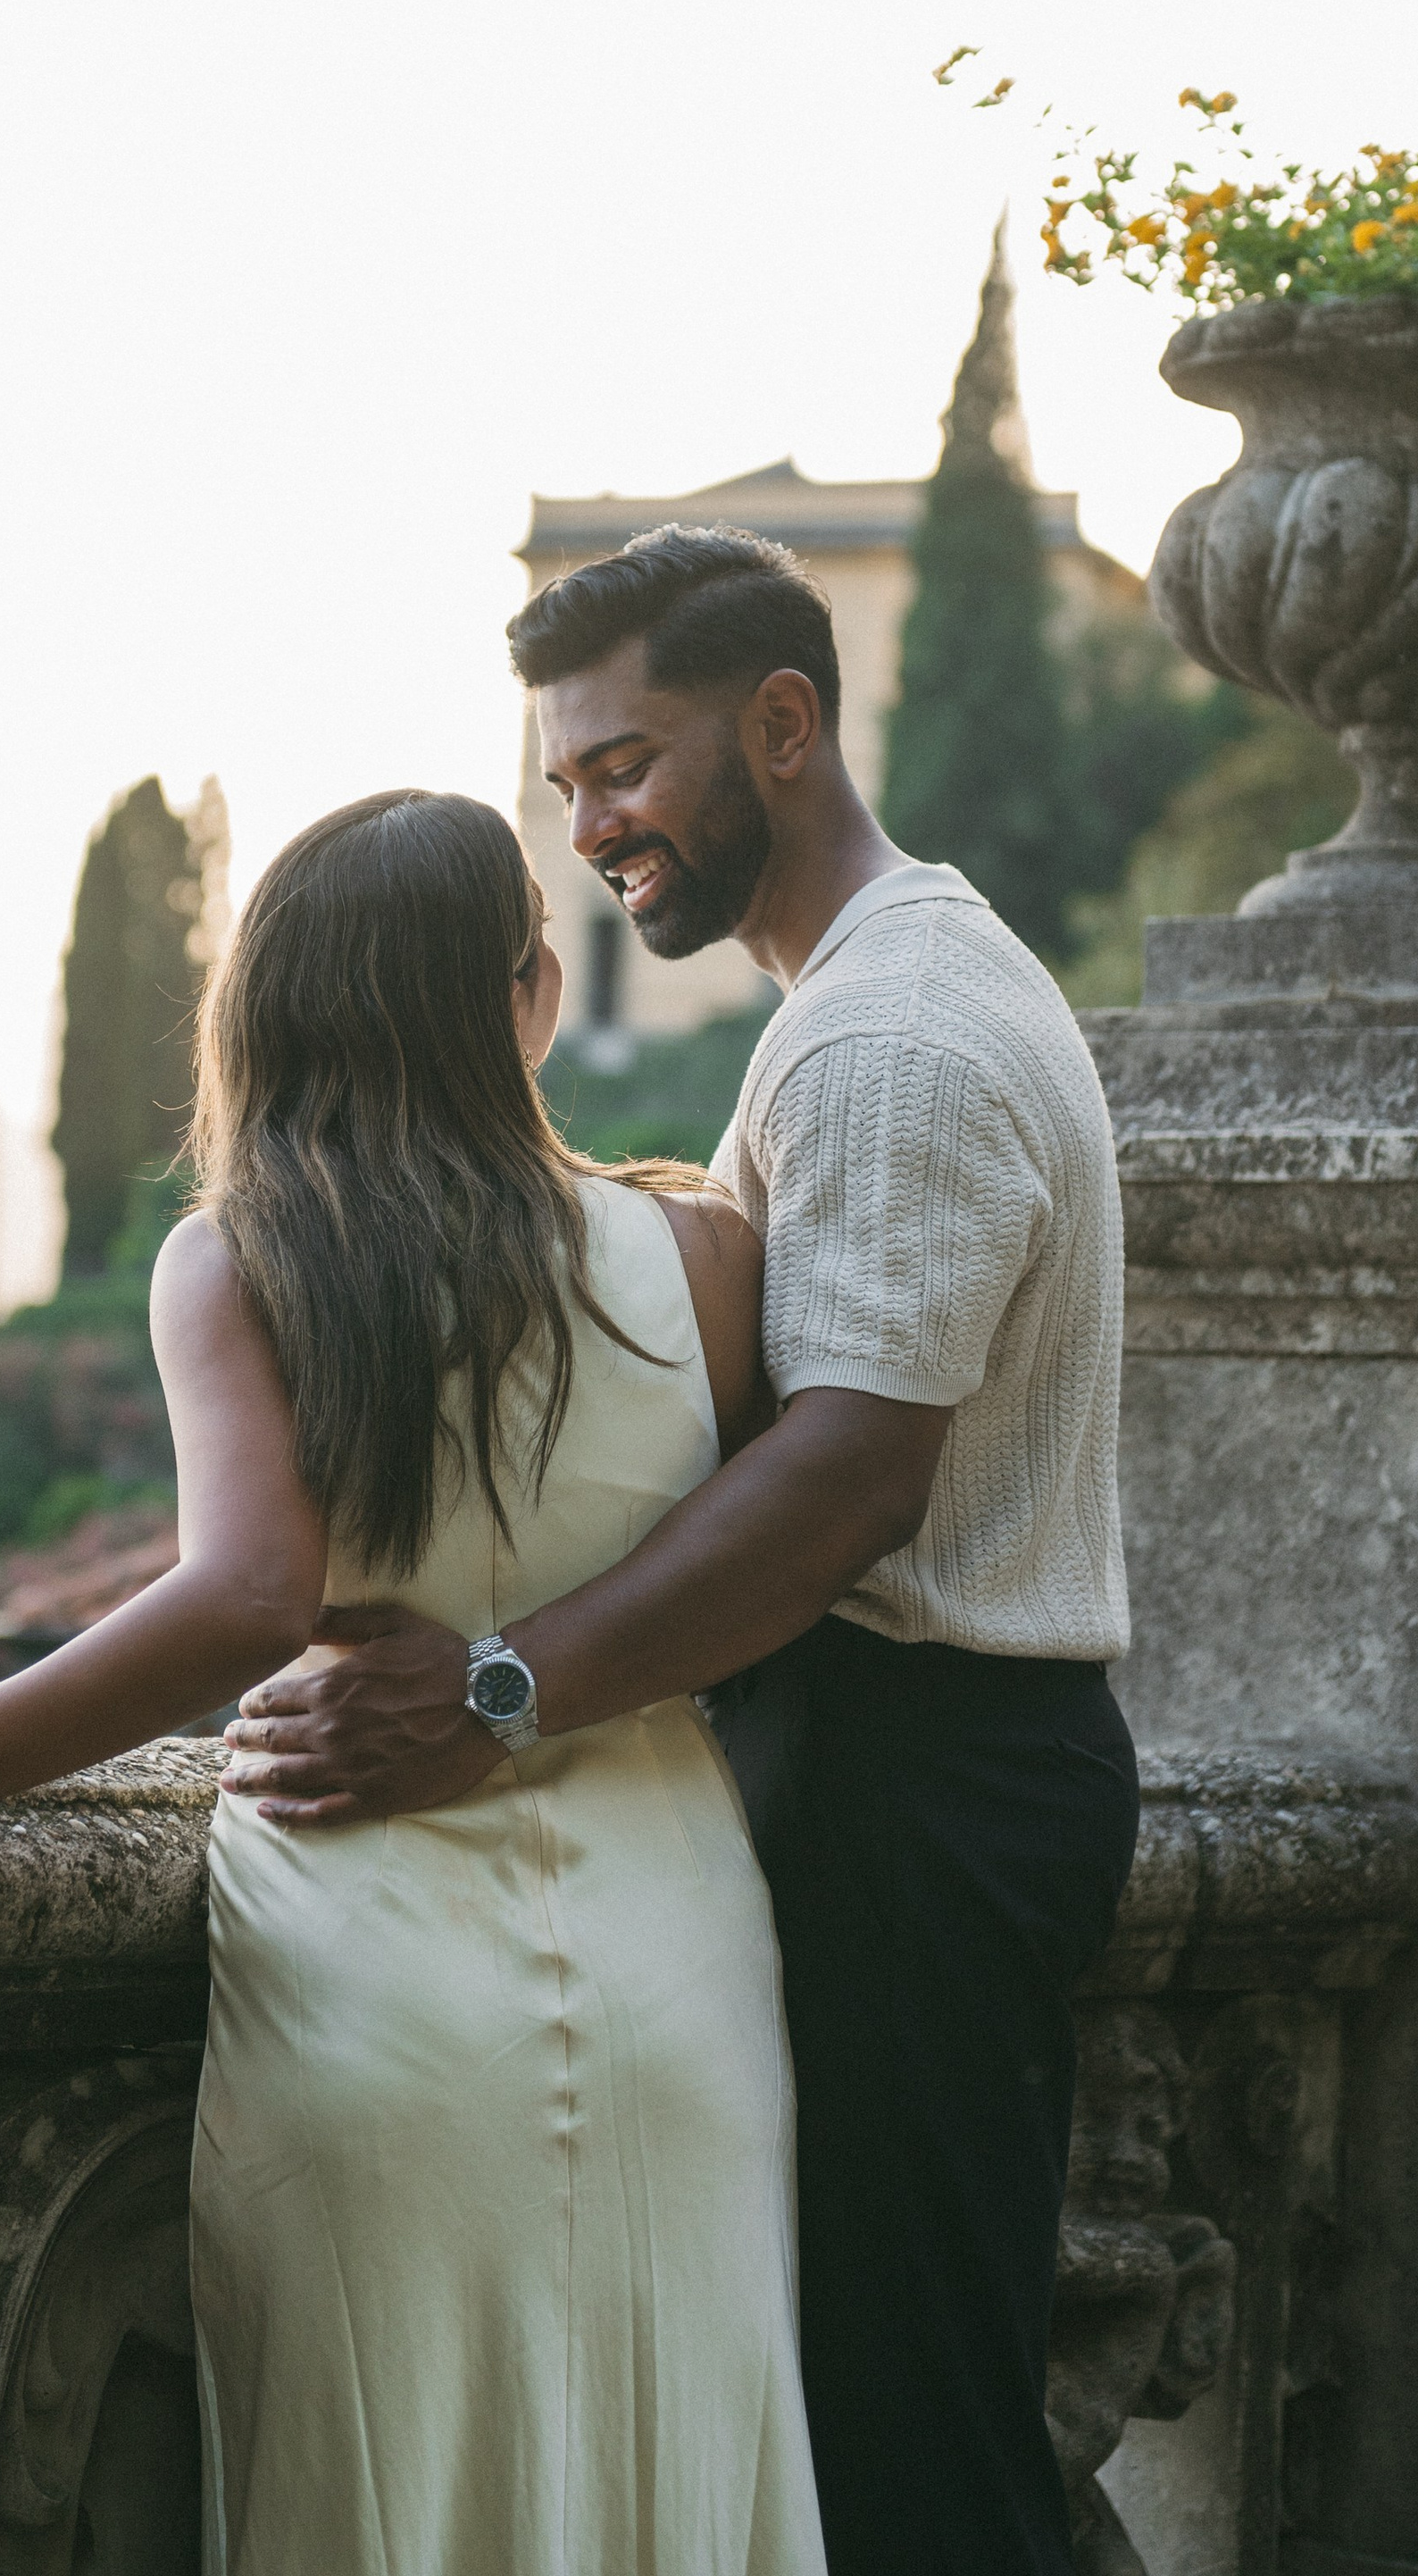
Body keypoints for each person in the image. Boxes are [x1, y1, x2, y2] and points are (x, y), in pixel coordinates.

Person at [0, 788, 827, 2576]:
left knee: (382, 2490)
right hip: (670, 1959)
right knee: (663, 2467)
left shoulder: (239, 1259)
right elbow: (769, 1577)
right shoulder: (703, 1259)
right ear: (524, 993)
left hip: (371, 1962)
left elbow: (244, 1598)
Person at [223, 527, 1140, 2576]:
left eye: (622, 764)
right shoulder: (883, 985)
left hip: (921, 1784)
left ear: (783, 728)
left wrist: (490, 1690)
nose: (591, 826)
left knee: (915, 2456)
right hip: (919, 1776)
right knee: (882, 2424)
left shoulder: (884, 1042)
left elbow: (838, 1487)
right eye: (564, 785)